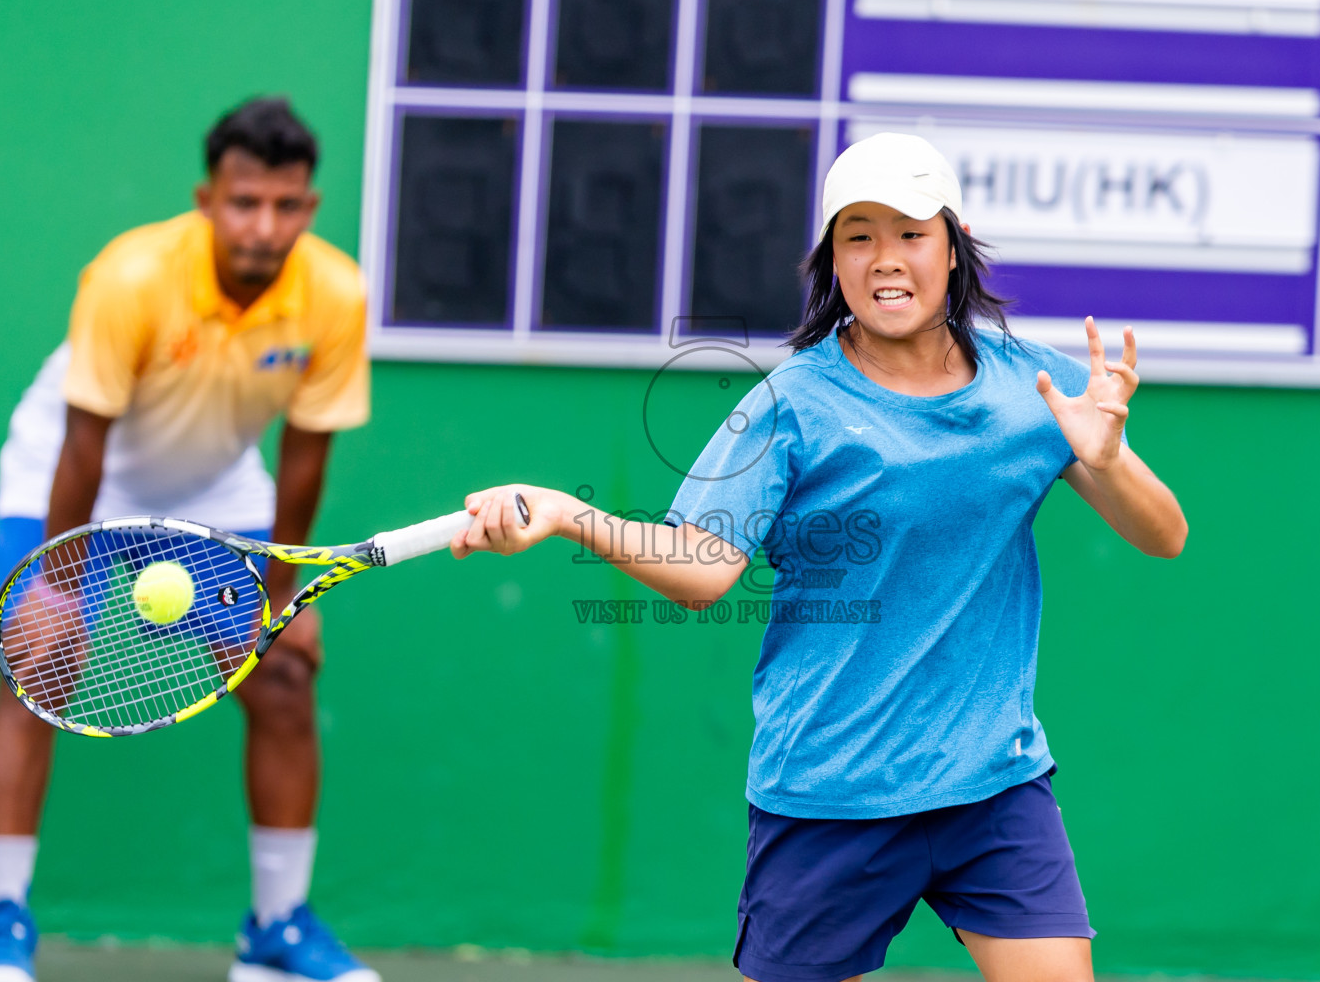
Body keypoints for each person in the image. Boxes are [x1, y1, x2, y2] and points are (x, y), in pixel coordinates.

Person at [448, 133, 1187, 982]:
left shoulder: (1037, 389)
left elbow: (1164, 535)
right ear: (832, 260)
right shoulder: (788, 406)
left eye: (910, 233)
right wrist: (569, 515)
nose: (886, 259)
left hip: (994, 781)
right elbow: (701, 568)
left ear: (953, 244)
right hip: (832, 790)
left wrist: (1107, 459)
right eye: (858, 236)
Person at [0, 98, 379, 982]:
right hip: (74, 469)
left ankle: (274, 930)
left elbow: (306, 457)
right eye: (244, 202)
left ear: (308, 208)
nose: (264, 226)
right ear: (206, 198)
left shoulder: (335, 294)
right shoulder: (131, 276)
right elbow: (85, 442)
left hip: (213, 490)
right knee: (35, 659)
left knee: (285, 678)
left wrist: (282, 597)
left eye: (285, 206)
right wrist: (65, 588)